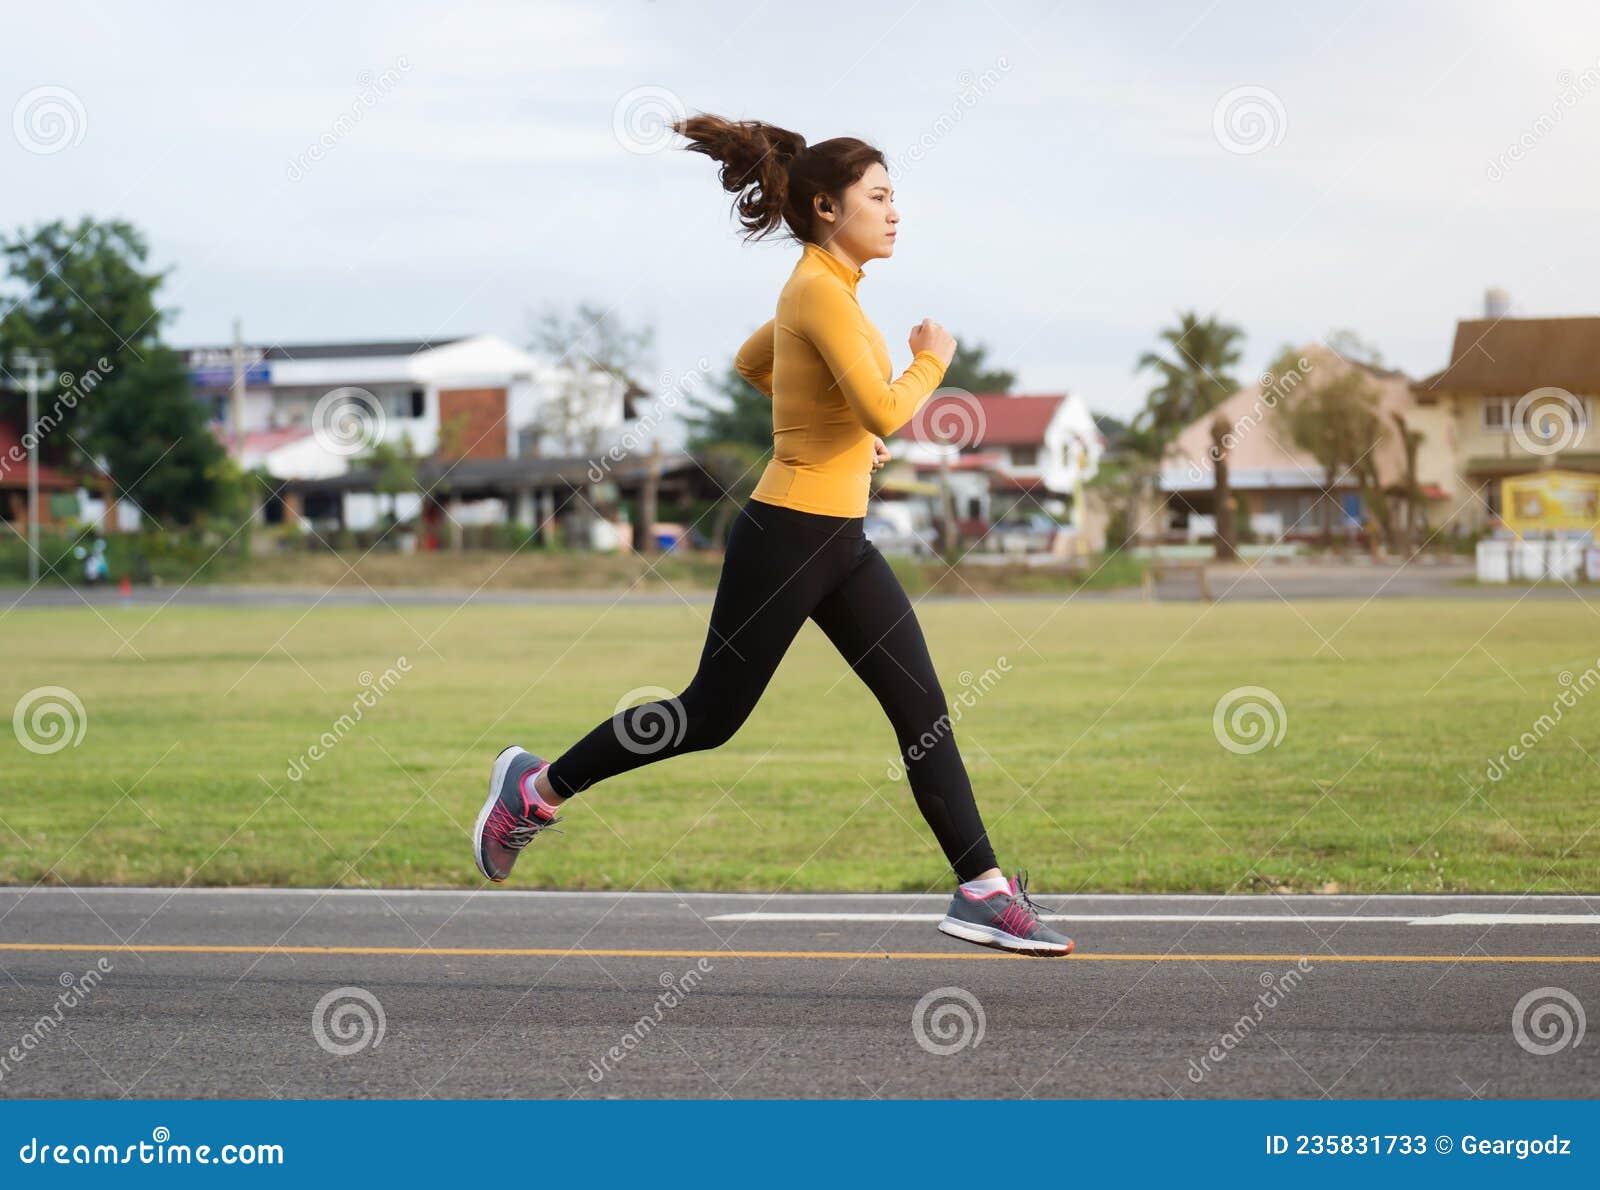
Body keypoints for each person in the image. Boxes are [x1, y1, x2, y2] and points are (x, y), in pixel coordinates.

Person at [472, 114, 1072, 957]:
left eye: (896, 196)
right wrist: (931, 358)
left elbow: (765, 368)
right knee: (710, 715)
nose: (897, 212)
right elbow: (887, 406)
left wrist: (836, 423)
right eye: (881, 196)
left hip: (842, 540)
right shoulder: (819, 291)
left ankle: (982, 890)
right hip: (788, 533)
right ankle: (534, 788)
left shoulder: (830, 293)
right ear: (828, 207)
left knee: (923, 710)